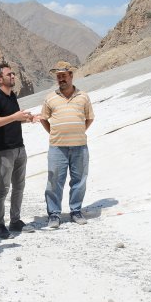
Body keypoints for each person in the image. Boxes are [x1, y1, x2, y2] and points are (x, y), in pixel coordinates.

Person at [39, 61, 95, 229]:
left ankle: (76, 210)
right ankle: (54, 214)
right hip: (57, 147)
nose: (61, 79)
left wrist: (78, 131)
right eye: (58, 76)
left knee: (79, 180)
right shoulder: (50, 97)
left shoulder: (83, 96)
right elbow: (43, 118)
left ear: (71, 76)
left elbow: (89, 117)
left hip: (80, 146)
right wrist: (55, 133)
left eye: (64, 75)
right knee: (55, 180)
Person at [0, 62, 36, 239]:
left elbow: (12, 120)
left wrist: (26, 118)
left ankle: (15, 221)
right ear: (0, 79)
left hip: (19, 148)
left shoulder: (12, 96)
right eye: (9, 74)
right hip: (4, 151)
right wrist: (15, 116)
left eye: (13, 74)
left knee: (19, 186)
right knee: (3, 188)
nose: (13, 76)